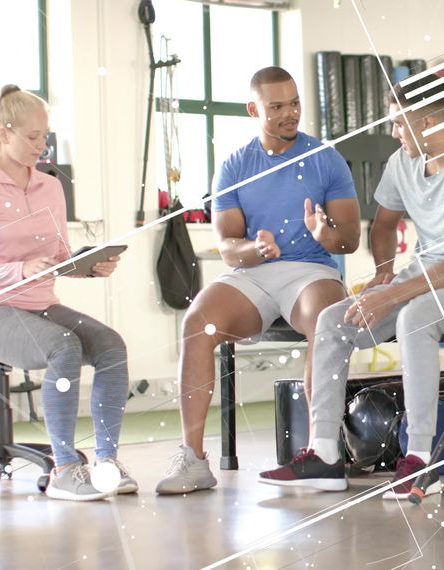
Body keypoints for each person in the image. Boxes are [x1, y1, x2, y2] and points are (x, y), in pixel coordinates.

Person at [259, 73, 444, 499]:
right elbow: (383, 224)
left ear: (429, 122)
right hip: (426, 270)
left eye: (399, 122)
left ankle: (419, 461)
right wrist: (383, 272)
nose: (393, 131)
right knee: (332, 320)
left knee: (414, 318)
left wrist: (392, 295)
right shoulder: (403, 163)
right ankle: (324, 453)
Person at [155, 67, 361, 494]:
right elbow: (228, 247)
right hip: (252, 274)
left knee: (325, 320)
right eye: (277, 107)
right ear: (254, 109)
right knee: (196, 323)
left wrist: (326, 235)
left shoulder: (326, 158)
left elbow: (350, 240)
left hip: (311, 271)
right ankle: (193, 460)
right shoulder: (234, 166)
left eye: (295, 103)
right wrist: (256, 249)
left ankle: (322, 454)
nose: (290, 114)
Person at [0, 85, 135, 502]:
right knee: (64, 347)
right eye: (32, 136)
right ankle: (65, 468)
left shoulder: (50, 188)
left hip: (39, 305)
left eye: (44, 135)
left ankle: (105, 463)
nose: (41, 144)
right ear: (3, 133)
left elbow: (56, 256)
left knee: (110, 346)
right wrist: (18, 269)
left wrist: (88, 267)